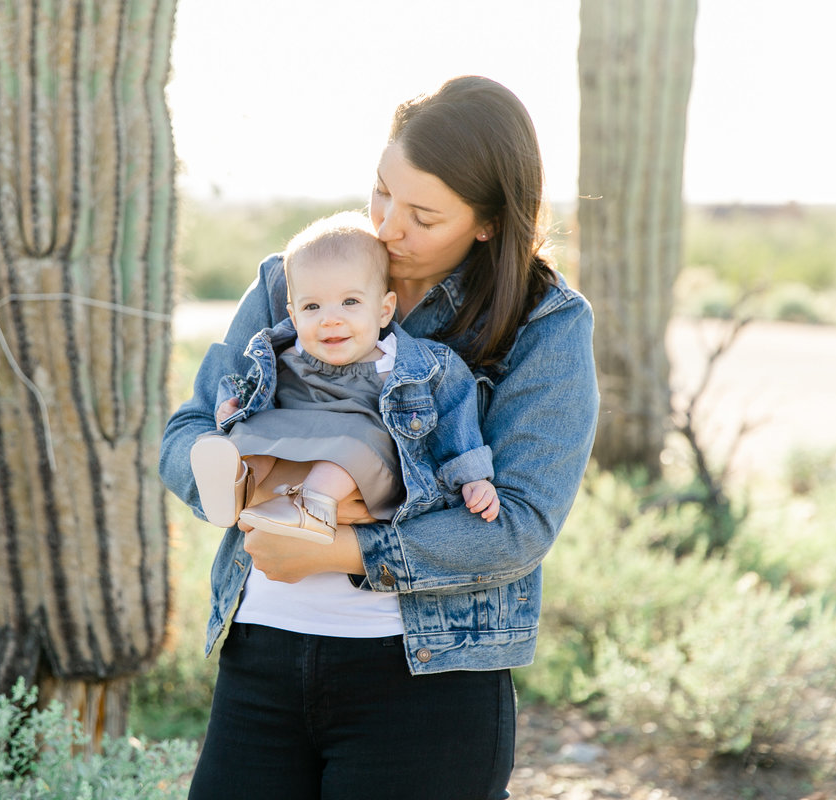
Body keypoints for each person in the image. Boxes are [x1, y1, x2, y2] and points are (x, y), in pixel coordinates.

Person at [160, 75, 599, 800]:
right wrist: (252, 491)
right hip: (260, 658)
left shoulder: (545, 324)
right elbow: (189, 429)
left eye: (423, 215)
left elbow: (520, 524)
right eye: (381, 192)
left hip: (424, 682)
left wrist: (346, 544)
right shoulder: (294, 280)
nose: (389, 226)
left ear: (486, 223)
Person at [189, 211, 499, 547]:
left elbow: (455, 415)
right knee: (251, 433)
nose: (330, 320)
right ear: (293, 315)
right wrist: (231, 410)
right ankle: (236, 487)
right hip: (293, 448)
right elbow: (249, 388)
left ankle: (312, 507)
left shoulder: (414, 366)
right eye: (312, 307)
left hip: (365, 465)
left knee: (358, 443)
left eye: (350, 302)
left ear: (384, 310)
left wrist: (471, 477)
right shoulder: (283, 353)